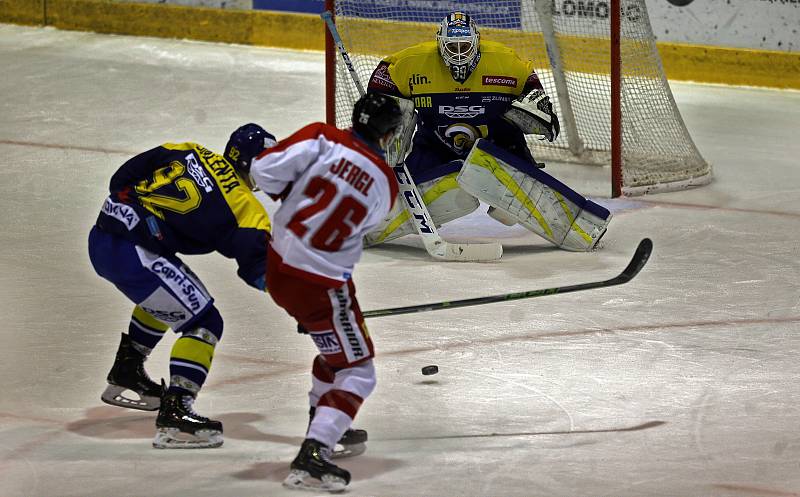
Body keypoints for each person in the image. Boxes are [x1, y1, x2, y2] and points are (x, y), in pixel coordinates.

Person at [248, 93, 403, 493]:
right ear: (389, 135)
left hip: (278, 268)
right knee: (359, 370)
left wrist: (295, 193)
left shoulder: (322, 137)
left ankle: (324, 427)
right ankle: (314, 454)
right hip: (323, 284)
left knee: (333, 354)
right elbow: (361, 226)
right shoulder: (386, 185)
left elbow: (262, 169)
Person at [88, 124, 275, 449]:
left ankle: (127, 370)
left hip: (103, 234)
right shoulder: (247, 208)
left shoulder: (191, 149)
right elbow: (257, 269)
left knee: (169, 296)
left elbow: (122, 177)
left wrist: (143, 219)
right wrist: (302, 299)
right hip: (134, 252)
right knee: (206, 322)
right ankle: (176, 411)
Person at [365, 11, 611, 252]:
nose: (459, 54)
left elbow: (535, 96)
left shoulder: (506, 63)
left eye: (465, 47)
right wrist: (386, 113)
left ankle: (579, 229)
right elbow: (381, 82)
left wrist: (538, 112)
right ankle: (360, 228)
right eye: (452, 47)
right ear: (439, 44)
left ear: (477, 44)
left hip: (500, 147)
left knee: (507, 212)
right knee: (422, 195)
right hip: (434, 145)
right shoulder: (412, 63)